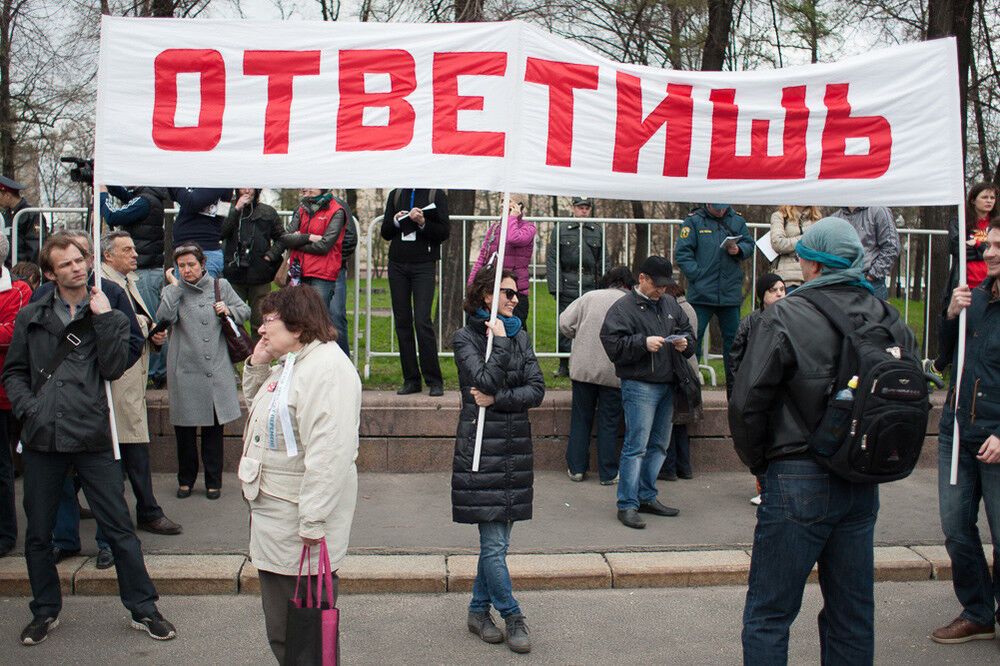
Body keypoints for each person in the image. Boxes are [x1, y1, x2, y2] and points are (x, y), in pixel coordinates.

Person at [728, 217, 914, 664]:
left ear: (809, 264)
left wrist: (760, 465)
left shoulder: (784, 315)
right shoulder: (889, 317)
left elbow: (747, 402)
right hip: (861, 476)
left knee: (770, 612)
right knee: (852, 613)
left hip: (796, 473)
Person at [3, 234, 176, 645]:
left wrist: (106, 318)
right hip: (44, 437)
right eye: (65, 264)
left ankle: (144, 608)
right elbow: (13, 372)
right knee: (39, 534)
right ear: (50, 273)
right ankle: (45, 610)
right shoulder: (33, 314)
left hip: (94, 435)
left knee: (119, 529)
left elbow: (116, 366)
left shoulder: (108, 301)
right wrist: (29, 408)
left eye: (80, 259)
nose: (77, 267)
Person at [240, 286, 361, 664]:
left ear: (298, 326)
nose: (260, 329)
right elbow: (263, 415)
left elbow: (330, 453)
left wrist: (312, 519)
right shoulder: (295, 361)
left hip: (297, 525)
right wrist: (259, 364)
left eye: (269, 322)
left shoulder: (325, 370)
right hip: (279, 519)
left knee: (303, 632)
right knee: (287, 630)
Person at [452, 267, 544, 655]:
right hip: (481, 451)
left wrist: (502, 401)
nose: (515, 299)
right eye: (507, 293)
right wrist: (501, 342)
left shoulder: (519, 334)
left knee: (498, 545)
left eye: (516, 293)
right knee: (493, 545)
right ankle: (512, 615)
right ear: (486, 296)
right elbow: (483, 382)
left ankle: (476, 610)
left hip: (514, 451)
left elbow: (536, 389)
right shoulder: (465, 338)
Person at [930, 216, 1000, 645]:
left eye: (996, 246)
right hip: (957, 431)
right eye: (988, 245)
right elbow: (945, 356)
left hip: (996, 437)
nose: (988, 252)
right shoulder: (974, 298)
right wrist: (950, 315)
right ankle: (977, 611)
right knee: (956, 527)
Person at [600, 256, 695, 530]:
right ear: (642, 279)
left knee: (658, 445)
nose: (662, 290)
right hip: (639, 384)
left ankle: (646, 496)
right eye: (658, 285)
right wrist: (642, 343)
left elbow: (687, 332)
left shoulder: (669, 304)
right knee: (636, 447)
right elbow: (612, 344)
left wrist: (685, 343)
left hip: (668, 382)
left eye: (666, 285)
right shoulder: (623, 308)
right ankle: (627, 504)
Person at [157, 243, 249, 500]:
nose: (186, 270)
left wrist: (228, 309)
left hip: (215, 368)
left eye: (191, 264)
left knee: (213, 431)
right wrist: (174, 289)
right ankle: (185, 480)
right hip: (185, 369)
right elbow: (164, 318)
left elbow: (246, 311)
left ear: (202, 264)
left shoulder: (221, 287)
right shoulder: (172, 290)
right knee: (184, 432)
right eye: (181, 266)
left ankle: (213, 481)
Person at [558, 265, 633, 485]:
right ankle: (608, 472)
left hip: (583, 368)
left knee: (581, 418)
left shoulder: (589, 297)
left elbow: (564, 322)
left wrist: (577, 334)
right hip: (613, 371)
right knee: (609, 421)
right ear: (628, 283)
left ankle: (576, 468)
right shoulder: (629, 302)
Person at [674, 203, 754, 395]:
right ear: (707, 203)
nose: (720, 212)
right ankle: (690, 390)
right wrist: (698, 275)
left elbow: (750, 244)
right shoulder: (693, 221)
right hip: (701, 294)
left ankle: (734, 393)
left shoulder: (738, 220)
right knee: (693, 341)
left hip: (729, 293)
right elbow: (683, 253)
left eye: (722, 209)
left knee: (734, 343)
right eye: (716, 209)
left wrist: (739, 250)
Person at [99, 185, 171, 388]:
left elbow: (112, 217)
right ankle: (157, 372)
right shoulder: (149, 197)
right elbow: (126, 196)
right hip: (148, 270)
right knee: (150, 324)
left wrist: (103, 194)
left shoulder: (143, 201)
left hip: (146, 273)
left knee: (150, 326)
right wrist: (108, 181)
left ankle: (156, 373)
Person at [380, 188, 450, 396]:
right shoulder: (396, 194)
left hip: (424, 264)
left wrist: (422, 223)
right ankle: (411, 379)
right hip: (398, 264)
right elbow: (385, 232)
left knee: (422, 320)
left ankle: (434, 380)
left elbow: (443, 232)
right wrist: (395, 220)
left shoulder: (434, 194)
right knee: (402, 321)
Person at [728, 273, 786, 505]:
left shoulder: (793, 318)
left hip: (782, 394)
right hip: (757, 392)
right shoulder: (750, 322)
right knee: (758, 442)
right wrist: (735, 395)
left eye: (782, 289)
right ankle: (764, 487)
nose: (780, 293)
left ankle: (776, 488)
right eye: (774, 290)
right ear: (763, 295)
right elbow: (735, 360)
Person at [278, 188, 350, 356]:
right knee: (296, 320)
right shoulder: (302, 208)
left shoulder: (337, 211)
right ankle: (297, 363)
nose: (306, 189)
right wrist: (309, 237)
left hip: (322, 275)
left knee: (318, 324)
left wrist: (297, 240)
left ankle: (324, 364)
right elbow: (285, 237)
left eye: (312, 185)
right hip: (298, 272)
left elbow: (325, 246)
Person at [547, 197, 603, 377]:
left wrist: (604, 287)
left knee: (591, 324)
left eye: (587, 208)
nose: (584, 211)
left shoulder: (597, 230)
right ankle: (564, 364)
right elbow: (553, 259)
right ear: (573, 208)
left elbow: (603, 260)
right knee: (565, 323)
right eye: (580, 207)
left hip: (590, 284)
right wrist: (556, 287)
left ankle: (589, 363)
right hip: (568, 282)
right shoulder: (561, 229)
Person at [0, 235, 31, 557]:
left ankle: (10, 533)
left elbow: (13, 333)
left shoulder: (19, 291)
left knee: (13, 467)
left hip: (12, 393)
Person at [220, 188, 283, 340]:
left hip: (260, 276)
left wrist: (271, 255)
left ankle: (258, 360)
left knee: (260, 322)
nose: (247, 190)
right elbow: (220, 232)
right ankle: (234, 360)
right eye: (243, 186)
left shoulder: (268, 212)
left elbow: (282, 238)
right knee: (233, 322)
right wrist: (236, 209)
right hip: (233, 275)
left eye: (251, 186)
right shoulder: (226, 208)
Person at [468, 199, 537, 328]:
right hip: (492, 289)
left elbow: (513, 238)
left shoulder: (529, 227)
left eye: (508, 200)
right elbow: (483, 256)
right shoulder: (495, 227)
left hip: (515, 292)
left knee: (515, 330)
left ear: (518, 204)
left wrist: (512, 218)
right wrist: (472, 284)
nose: (502, 204)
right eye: (501, 200)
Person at [658, 281, 701, 482]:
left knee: (672, 422)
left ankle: (670, 468)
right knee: (681, 424)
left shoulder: (675, 309)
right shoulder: (689, 307)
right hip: (690, 371)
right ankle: (685, 467)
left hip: (679, 370)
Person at [830, 205, 900, 300]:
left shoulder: (879, 211)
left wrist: (872, 275)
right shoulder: (835, 218)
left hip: (872, 285)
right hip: (843, 284)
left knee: (874, 315)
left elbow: (892, 246)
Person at [167, 187, 233, 278]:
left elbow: (191, 202)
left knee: (202, 291)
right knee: (183, 292)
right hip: (185, 249)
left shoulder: (218, 179)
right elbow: (175, 196)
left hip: (204, 251)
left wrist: (174, 180)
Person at [769, 205, 822, 290]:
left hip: (812, 276)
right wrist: (806, 238)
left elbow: (820, 245)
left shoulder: (817, 219)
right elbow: (778, 244)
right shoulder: (779, 216)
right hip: (788, 278)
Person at [0, 175, 40, 264]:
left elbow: (36, 249)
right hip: (8, 270)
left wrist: (29, 273)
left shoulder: (31, 215)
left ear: (7, 195)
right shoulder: (6, 215)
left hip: (23, 271)